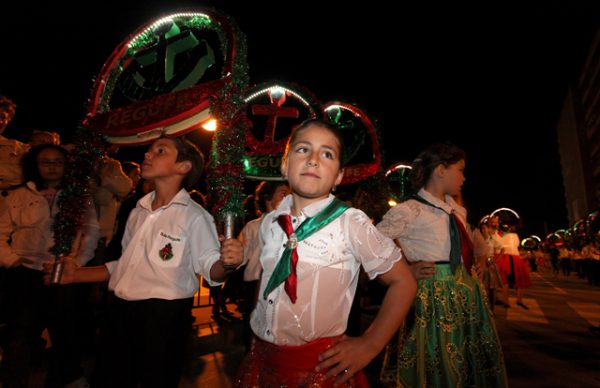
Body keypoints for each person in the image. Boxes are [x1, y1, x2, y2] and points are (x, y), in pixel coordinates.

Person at [43, 136, 243, 387]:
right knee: (110, 378)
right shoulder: (137, 211)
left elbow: (211, 268)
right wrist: (77, 275)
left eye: (160, 151)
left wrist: (227, 263)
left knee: (154, 380)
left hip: (163, 316)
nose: (147, 155)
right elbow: (124, 265)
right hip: (119, 312)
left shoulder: (194, 216)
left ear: (183, 167)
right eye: (148, 150)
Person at [235, 119, 417, 387]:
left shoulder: (350, 223)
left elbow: (404, 282)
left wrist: (369, 344)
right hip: (262, 361)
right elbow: (265, 284)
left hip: (319, 368)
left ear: (339, 176)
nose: (313, 160)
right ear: (285, 164)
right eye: (303, 150)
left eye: (327, 154)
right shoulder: (269, 223)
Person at [377, 143, 507, 387]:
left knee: (466, 359)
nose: (464, 177)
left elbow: (464, 247)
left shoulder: (457, 210)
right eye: (460, 169)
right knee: (439, 358)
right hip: (433, 297)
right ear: (440, 170)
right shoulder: (410, 210)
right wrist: (404, 270)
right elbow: (374, 243)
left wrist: (471, 265)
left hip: (467, 293)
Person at [0, 144, 99, 387]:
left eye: (58, 162)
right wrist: (11, 260)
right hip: (25, 273)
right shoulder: (17, 195)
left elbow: (91, 232)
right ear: (35, 164)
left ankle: (69, 378)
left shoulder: (77, 196)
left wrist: (77, 263)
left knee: (65, 330)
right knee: (19, 334)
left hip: (62, 273)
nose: (52, 167)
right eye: (46, 161)